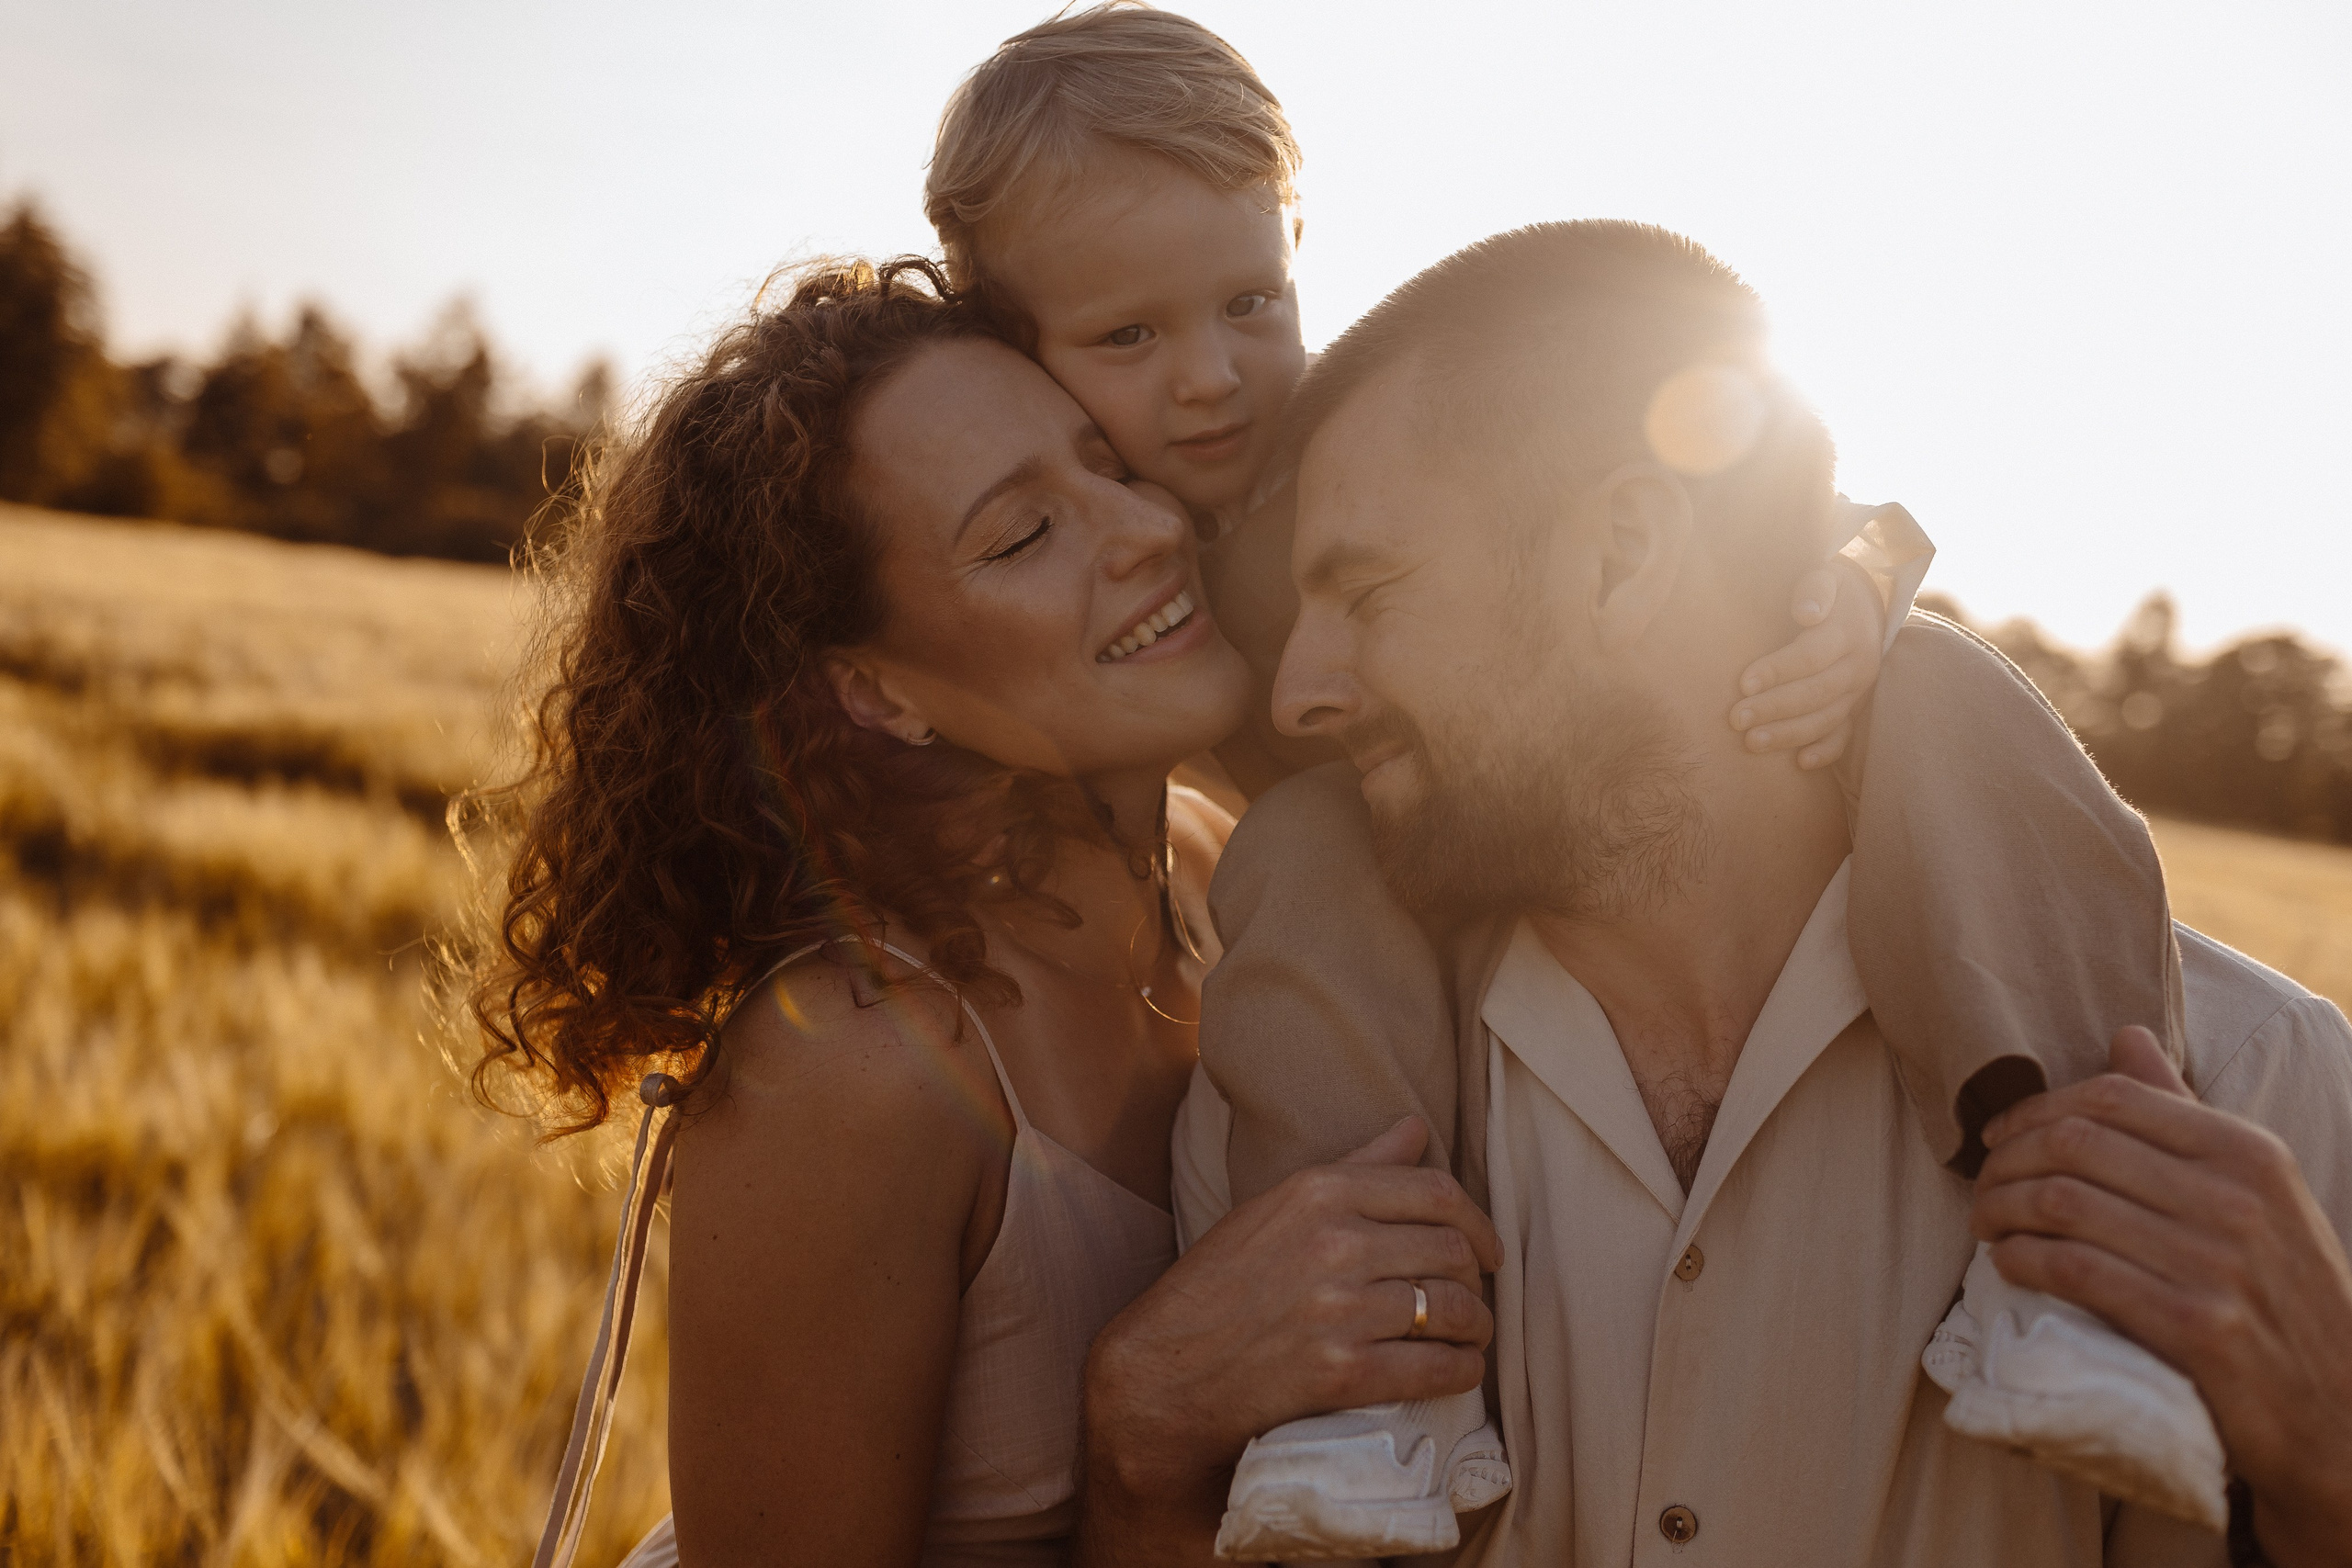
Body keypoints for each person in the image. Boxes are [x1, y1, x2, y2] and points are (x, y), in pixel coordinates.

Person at [926, 6, 2202, 1557]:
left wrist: (1863, 582)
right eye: (1128, 338)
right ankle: (1371, 1376)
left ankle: (2060, 1215)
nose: (1212, 378)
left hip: (1525, 809)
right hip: (1386, 887)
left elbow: (1764, 465)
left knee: (1941, 687)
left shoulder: (1366, 436)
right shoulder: (1084, 559)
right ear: (1011, 344)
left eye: (1251, 300)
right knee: (1309, 850)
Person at [1148, 220, 2352, 1565]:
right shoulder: (1281, 1163)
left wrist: (2333, 1456)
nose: (1296, 697)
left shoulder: (2256, 1094)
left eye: (1365, 591)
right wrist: (1132, 1451)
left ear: (1621, 556)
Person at [474, 259, 1507, 1567]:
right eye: (1022, 536)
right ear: (876, 690)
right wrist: (1143, 1437)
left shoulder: (1230, 872)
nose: (1143, 531)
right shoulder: (855, 1068)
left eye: (1109, 467)